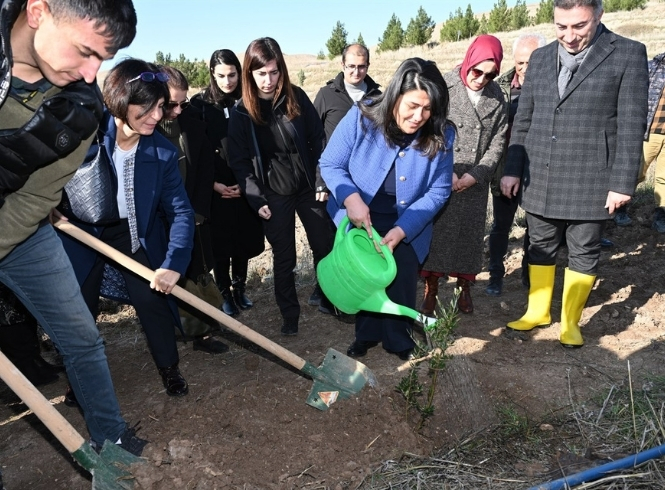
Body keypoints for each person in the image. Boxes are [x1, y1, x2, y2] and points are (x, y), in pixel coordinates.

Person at [0, 0, 147, 455]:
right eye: (85, 52)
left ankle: (112, 438)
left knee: (81, 338)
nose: (90, 74)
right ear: (40, 10)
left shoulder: (79, 110)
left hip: (20, 231)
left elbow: (35, 198)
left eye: (102, 60)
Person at [501, 0, 648, 347]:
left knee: (584, 250)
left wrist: (622, 182)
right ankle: (537, 311)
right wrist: (512, 169)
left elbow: (631, 124)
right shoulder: (540, 57)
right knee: (539, 245)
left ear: (598, 17)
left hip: (592, 175)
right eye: (561, 26)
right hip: (541, 173)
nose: (569, 36)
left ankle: (570, 321)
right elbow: (524, 119)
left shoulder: (628, 53)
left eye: (579, 26)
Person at [57, 58, 195, 396]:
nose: (156, 116)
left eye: (161, 107)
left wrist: (173, 265)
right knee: (78, 309)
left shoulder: (161, 152)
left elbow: (180, 212)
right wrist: (48, 207)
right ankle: (81, 380)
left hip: (130, 233)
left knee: (152, 301)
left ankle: (169, 368)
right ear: (121, 101)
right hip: (79, 230)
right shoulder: (84, 132)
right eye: (146, 107)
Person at [320, 57, 455, 361]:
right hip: (360, 219)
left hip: (406, 222)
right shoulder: (362, 118)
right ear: (395, 97)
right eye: (412, 106)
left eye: (428, 108)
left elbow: (439, 190)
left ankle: (400, 341)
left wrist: (402, 230)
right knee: (363, 278)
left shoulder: (441, 134)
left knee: (401, 279)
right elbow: (330, 163)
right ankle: (365, 335)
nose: (419, 116)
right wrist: (350, 197)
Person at [228, 37, 336, 336]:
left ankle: (330, 297)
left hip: (307, 187)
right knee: (284, 257)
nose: (268, 80)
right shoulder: (241, 113)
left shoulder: (296, 97)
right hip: (273, 194)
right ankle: (290, 314)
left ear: (282, 71)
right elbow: (240, 162)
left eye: (274, 72)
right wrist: (254, 197)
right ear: (250, 73)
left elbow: (319, 139)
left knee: (323, 245)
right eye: (261, 73)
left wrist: (321, 180)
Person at [419, 35, 508, 315]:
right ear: (468, 62)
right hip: (442, 175)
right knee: (439, 237)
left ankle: (464, 287)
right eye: (477, 71)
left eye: (490, 74)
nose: (481, 79)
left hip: (474, 182)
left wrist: (477, 174)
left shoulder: (499, 97)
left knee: (468, 239)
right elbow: (428, 128)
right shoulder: (443, 86)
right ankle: (431, 288)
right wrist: (446, 171)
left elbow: (499, 141)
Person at [156, 65, 229, 354]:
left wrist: (198, 212)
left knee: (197, 272)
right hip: (158, 222)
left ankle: (202, 335)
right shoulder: (144, 132)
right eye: (170, 104)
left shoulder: (194, 126)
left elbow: (204, 172)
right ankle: (166, 336)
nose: (177, 110)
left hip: (191, 217)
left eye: (182, 103)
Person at [189, 49, 265, 317]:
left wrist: (248, 186)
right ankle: (223, 293)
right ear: (212, 73)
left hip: (245, 183)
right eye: (221, 75)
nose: (228, 81)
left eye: (232, 74)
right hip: (216, 188)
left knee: (242, 240)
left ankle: (239, 288)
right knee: (221, 244)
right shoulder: (198, 106)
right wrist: (213, 185)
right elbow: (196, 151)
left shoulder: (247, 101)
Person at [310, 43, 380, 309]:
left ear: (368, 66)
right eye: (351, 66)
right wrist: (320, 179)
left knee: (360, 237)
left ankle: (357, 289)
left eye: (361, 66)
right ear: (342, 65)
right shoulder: (326, 95)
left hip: (366, 182)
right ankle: (328, 290)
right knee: (331, 237)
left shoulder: (378, 96)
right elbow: (315, 139)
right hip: (333, 180)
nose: (356, 71)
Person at [486, 33, 547, 296]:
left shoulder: (552, 88)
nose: (524, 69)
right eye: (520, 63)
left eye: (531, 63)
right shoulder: (499, 88)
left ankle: (528, 273)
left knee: (535, 228)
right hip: (504, 171)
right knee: (501, 226)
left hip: (537, 172)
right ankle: (495, 276)